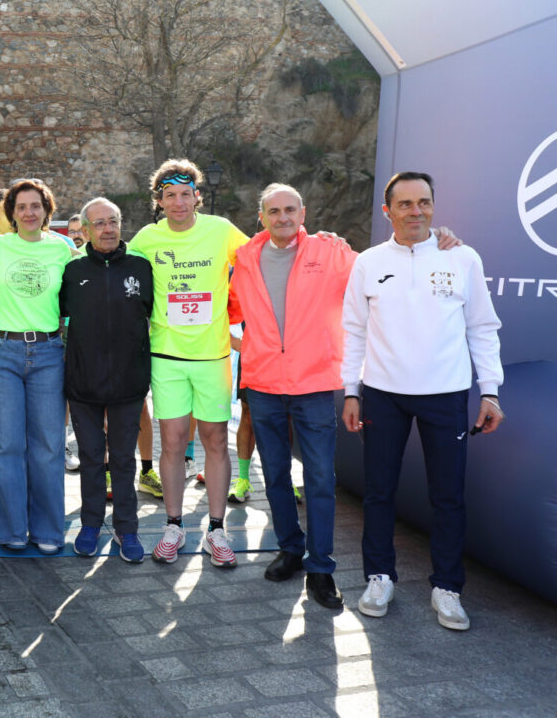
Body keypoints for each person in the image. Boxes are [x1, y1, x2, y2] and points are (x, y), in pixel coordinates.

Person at [342, 172, 503, 631]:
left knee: (448, 496)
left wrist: (489, 389)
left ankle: (447, 588)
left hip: (446, 395)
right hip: (381, 394)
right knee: (378, 492)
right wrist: (352, 389)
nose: (417, 211)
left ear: (434, 205)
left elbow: (482, 328)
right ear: (387, 210)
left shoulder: (463, 257)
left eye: (424, 202)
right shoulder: (369, 262)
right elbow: (352, 330)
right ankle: (379, 577)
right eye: (406, 203)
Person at [229, 183, 358, 608]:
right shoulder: (245, 258)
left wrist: (439, 244)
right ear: (261, 216)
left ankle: (321, 569)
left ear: (303, 212)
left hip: (315, 384)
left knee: (320, 479)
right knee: (276, 474)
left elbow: (375, 276)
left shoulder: (330, 251)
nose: (282, 217)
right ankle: (290, 549)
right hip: (263, 383)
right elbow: (228, 307)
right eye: (273, 211)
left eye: (290, 209)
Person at [130, 160, 248, 567]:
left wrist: (317, 239)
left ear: (197, 195)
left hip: (213, 355)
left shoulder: (221, 230)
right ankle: (173, 525)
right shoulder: (146, 237)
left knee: (216, 439)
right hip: (166, 357)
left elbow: (265, 254)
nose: (178, 202)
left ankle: (217, 528)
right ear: (158, 200)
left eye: (185, 194)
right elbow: (120, 273)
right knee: (175, 441)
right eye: (169, 195)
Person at [0, 178, 74, 553]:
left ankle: (49, 530)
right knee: (4, 445)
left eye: (36, 205)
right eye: (21, 207)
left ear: (47, 211)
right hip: (1, 351)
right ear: (11, 214)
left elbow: (72, 302)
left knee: (49, 445)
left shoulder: (63, 250)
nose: (29, 212)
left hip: (49, 352)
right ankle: (13, 529)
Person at [61, 198, 152, 563]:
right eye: (99, 223)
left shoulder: (142, 269)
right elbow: (58, 314)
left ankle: (127, 528)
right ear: (84, 231)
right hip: (83, 384)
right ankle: (90, 524)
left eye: (113, 221)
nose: (108, 229)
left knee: (125, 460)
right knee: (91, 457)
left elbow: (156, 316)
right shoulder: (72, 271)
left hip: (129, 383)